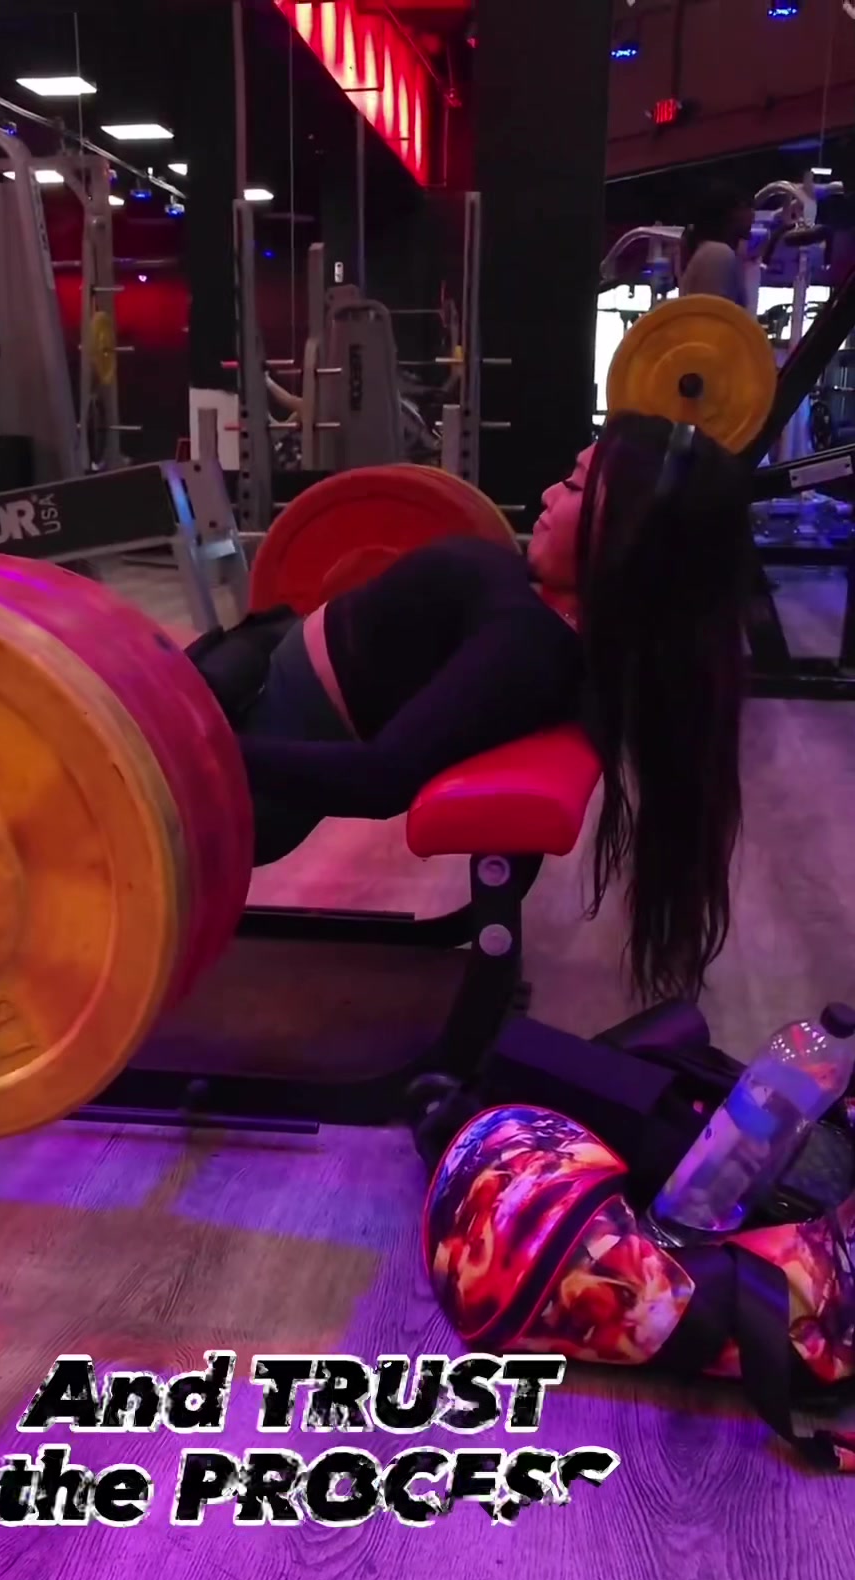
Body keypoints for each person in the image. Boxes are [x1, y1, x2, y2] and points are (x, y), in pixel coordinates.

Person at [217, 411, 752, 1007]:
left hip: (244, 754)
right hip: (246, 678)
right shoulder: (545, 609)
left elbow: (381, 778)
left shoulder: (527, 647)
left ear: (628, 537)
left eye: (575, 487)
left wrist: (204, 745)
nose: (547, 494)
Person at [678, 179, 794, 307]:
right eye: (746, 207)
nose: (752, 215)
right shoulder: (718, 254)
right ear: (728, 213)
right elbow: (712, 314)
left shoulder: (712, 252)